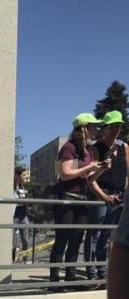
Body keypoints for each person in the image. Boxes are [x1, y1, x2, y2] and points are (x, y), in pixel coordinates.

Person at [49, 112, 107, 285]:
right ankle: (54, 280)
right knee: (62, 240)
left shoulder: (86, 151)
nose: (96, 130)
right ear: (84, 128)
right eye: (93, 127)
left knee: (76, 240)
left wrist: (101, 169)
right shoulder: (69, 147)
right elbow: (65, 174)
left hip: (81, 200)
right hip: (66, 199)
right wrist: (89, 167)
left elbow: (87, 178)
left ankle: (71, 278)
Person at [86, 110, 129, 283]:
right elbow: (90, 179)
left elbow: (128, 173)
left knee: (108, 234)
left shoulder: (124, 147)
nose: (116, 130)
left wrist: (124, 191)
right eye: (113, 126)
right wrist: (103, 196)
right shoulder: (95, 148)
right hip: (100, 193)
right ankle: (91, 271)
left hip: (118, 194)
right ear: (105, 128)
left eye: (118, 126)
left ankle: (102, 270)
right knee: (95, 233)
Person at [12, 166, 30, 262]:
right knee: (13, 239)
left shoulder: (23, 186)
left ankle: (26, 259)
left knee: (25, 239)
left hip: (23, 215)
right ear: (17, 176)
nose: (25, 177)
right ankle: (11, 259)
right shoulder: (12, 186)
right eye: (23, 175)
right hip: (14, 215)